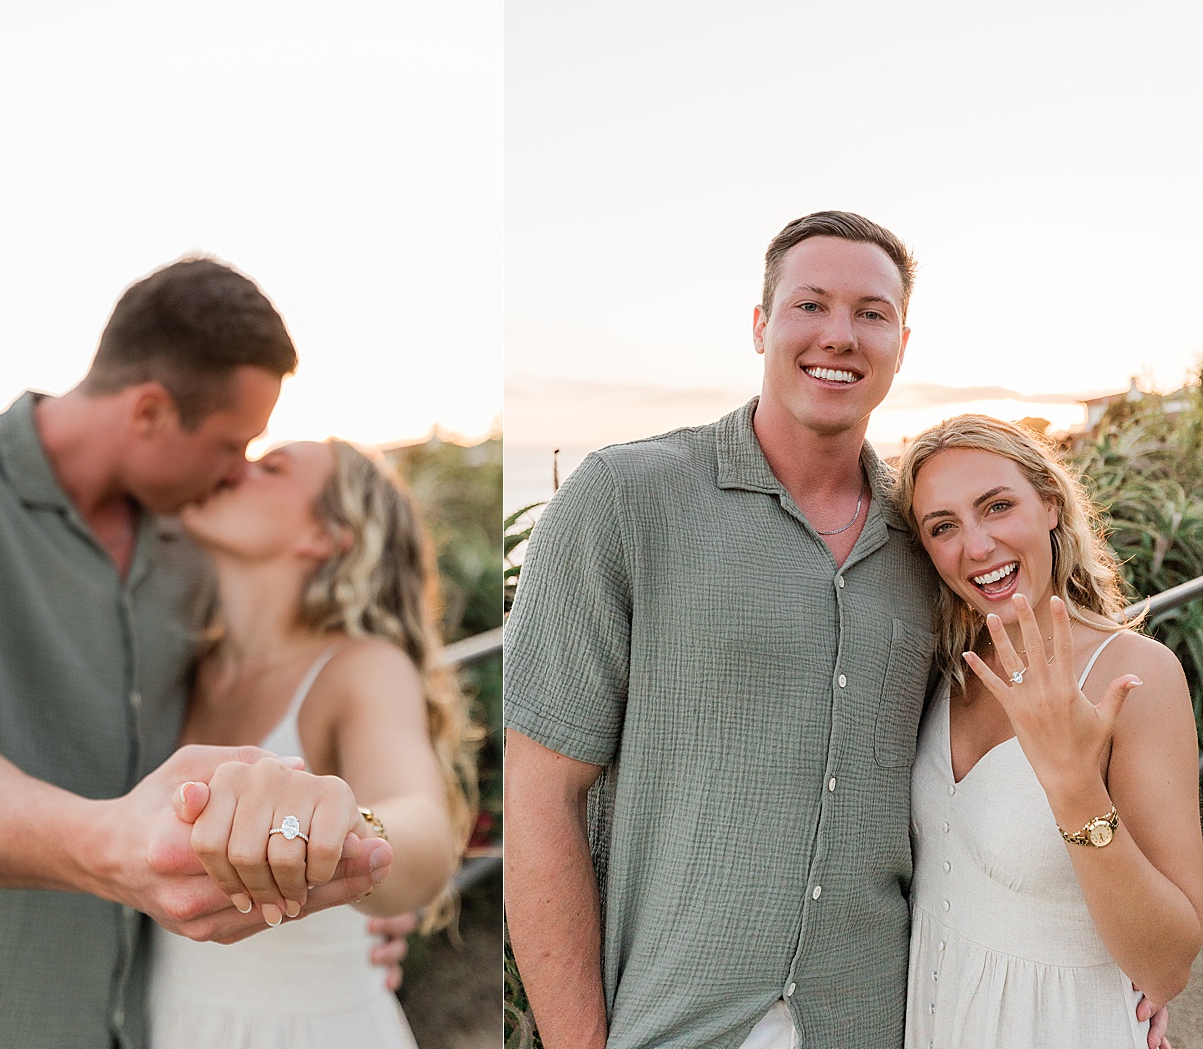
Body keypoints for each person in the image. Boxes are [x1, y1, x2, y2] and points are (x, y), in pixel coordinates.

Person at [503, 212, 1172, 1049]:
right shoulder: (623, 500)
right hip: (672, 1025)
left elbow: (983, 780)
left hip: (873, 1021)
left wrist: (1122, 974)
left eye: (871, 312)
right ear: (759, 325)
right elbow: (538, 794)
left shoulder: (926, 544)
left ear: (900, 341)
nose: (840, 335)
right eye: (810, 305)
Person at [0, 259, 390, 1049]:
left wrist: (360, 869)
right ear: (149, 410)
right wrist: (111, 846)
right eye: (231, 444)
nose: (237, 472)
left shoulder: (196, 548)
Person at [145, 438, 475, 1048]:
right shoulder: (178, 665)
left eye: (270, 468)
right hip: (169, 1024)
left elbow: (423, 828)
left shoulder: (361, 668)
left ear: (325, 536)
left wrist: (342, 826)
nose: (234, 464)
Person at [893, 415, 1203, 1048]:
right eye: (943, 526)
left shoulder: (1135, 673)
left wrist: (1073, 785)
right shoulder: (943, 667)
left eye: (997, 507)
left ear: (1052, 506)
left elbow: (1167, 965)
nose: (976, 546)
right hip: (935, 1021)